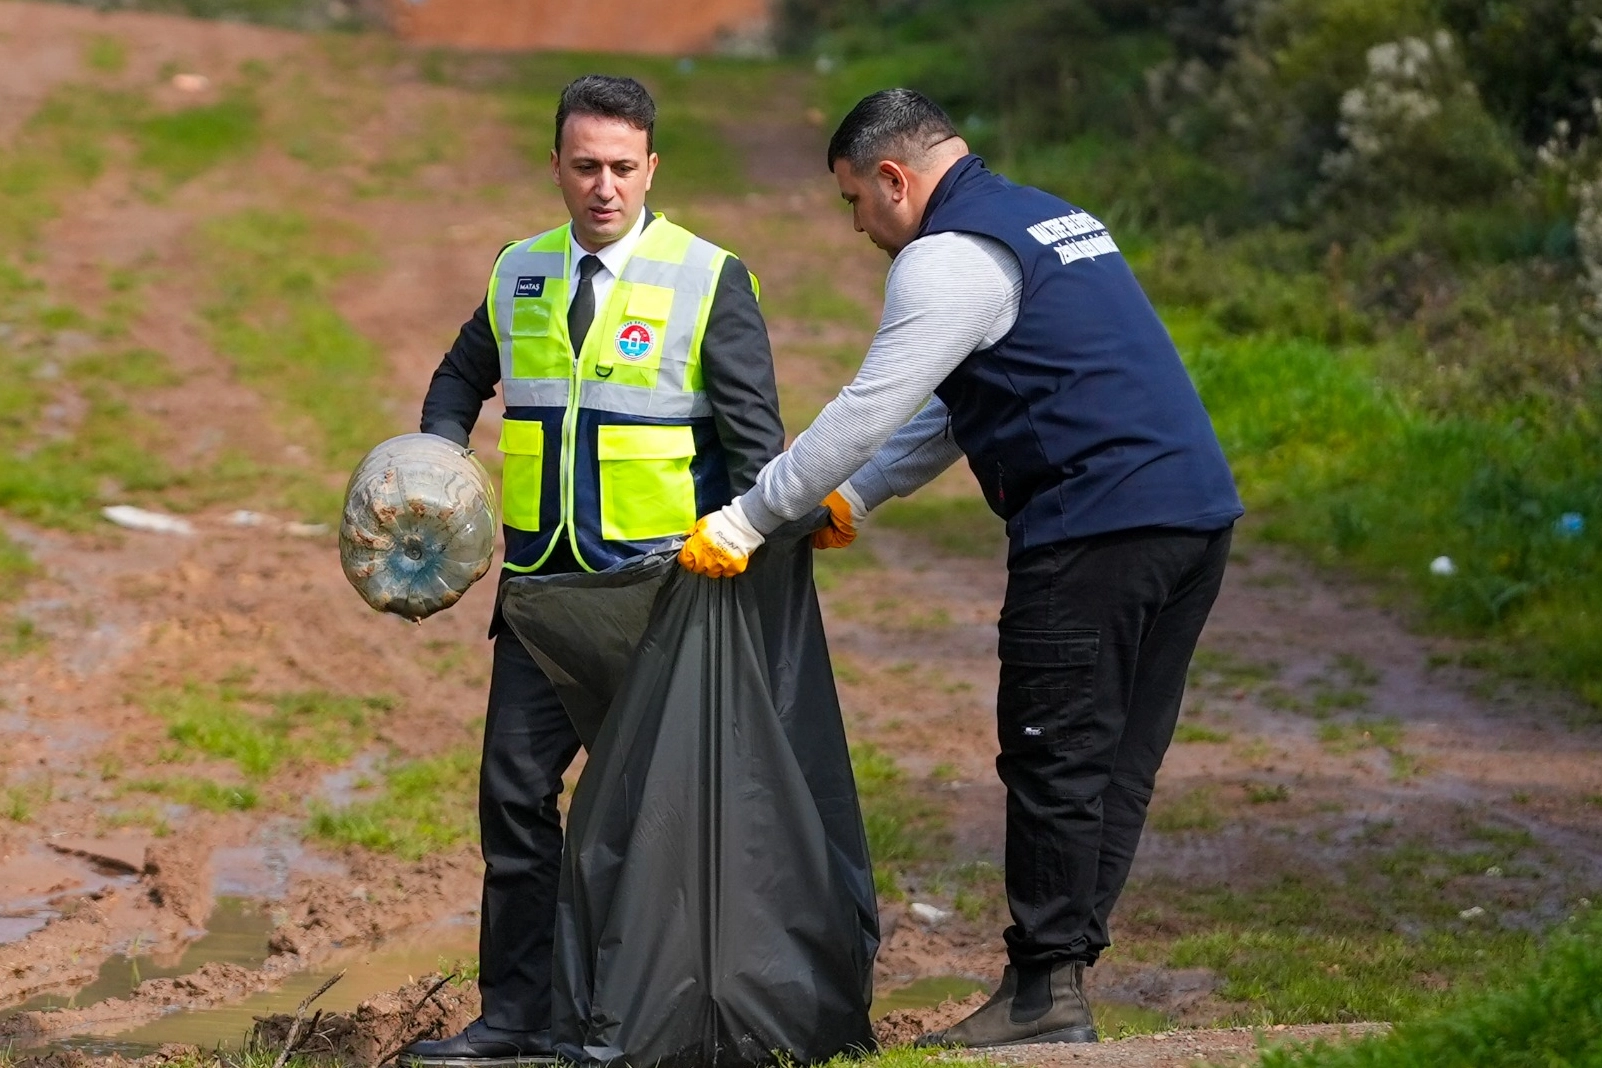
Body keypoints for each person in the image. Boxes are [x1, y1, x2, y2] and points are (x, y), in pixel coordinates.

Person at [679, 89, 1243, 1048]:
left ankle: (1043, 991)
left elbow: (872, 406)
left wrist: (746, 517)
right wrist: (854, 498)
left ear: (896, 179)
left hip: (1094, 526)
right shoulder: (1046, 218)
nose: (859, 225)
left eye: (856, 200)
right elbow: (959, 402)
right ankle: (1060, 979)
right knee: (1115, 762)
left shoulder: (945, 258)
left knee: (1055, 751)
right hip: (1190, 518)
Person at [402, 74, 784, 1066]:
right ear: (557, 167)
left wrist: (744, 573)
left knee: (645, 823)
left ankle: (624, 1026)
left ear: (653, 166)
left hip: (662, 602)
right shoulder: (518, 272)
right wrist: (437, 457)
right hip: (537, 597)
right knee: (515, 801)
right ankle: (516, 1018)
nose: (604, 186)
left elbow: (757, 449)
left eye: (623, 167)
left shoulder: (709, 279)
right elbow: (458, 377)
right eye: (586, 167)